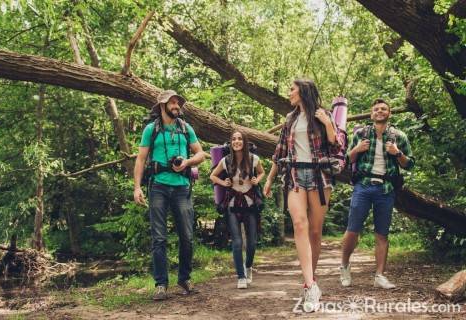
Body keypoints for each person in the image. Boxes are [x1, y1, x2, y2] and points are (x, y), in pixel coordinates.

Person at [263, 79, 343, 312]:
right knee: (299, 224)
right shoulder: (290, 119)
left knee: (315, 231)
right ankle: (309, 285)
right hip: (295, 176)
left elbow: (337, 147)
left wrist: (328, 123)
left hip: (320, 178)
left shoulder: (322, 114)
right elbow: (279, 153)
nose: (289, 93)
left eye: (292, 89)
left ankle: (312, 278)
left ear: (303, 92)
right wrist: (269, 179)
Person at [134, 90, 205, 301]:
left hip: (182, 187)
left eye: (178, 103)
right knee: (159, 238)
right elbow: (140, 159)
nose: (176, 106)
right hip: (158, 187)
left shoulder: (186, 128)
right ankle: (161, 284)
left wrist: (187, 162)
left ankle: (184, 278)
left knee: (187, 236)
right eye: (172, 103)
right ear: (162, 106)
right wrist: (137, 187)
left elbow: (201, 154)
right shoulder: (151, 129)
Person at [339, 98, 414, 289]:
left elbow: (410, 164)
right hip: (363, 186)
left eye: (384, 109)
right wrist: (357, 149)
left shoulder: (399, 136)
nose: (380, 111)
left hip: (386, 189)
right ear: (371, 114)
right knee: (352, 230)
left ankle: (379, 275)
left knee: (382, 234)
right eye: (376, 109)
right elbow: (346, 159)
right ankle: (344, 266)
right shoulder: (361, 134)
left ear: (389, 113)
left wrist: (397, 153)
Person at [210, 130, 265, 289]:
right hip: (232, 205)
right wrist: (223, 183)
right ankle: (240, 276)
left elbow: (261, 172)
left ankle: (248, 267)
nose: (236, 141)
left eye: (240, 139)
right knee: (237, 242)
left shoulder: (254, 159)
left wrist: (257, 180)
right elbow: (213, 176)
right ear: (231, 143)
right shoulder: (225, 161)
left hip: (250, 205)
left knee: (252, 243)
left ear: (245, 142)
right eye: (234, 139)